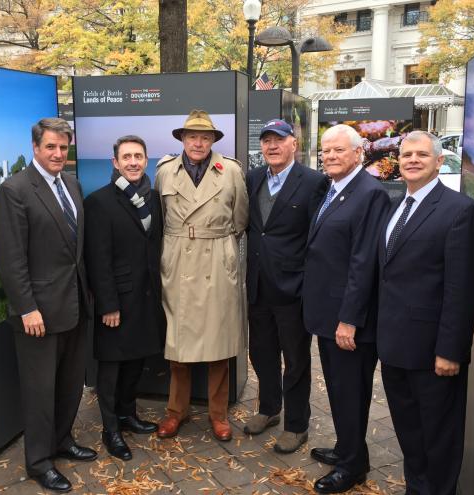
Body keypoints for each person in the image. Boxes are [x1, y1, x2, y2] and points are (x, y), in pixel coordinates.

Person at [377, 131, 474, 495]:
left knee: (439, 441)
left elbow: (462, 288)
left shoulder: (460, 211)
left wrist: (450, 351)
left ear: (439, 161)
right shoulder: (397, 206)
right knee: (410, 434)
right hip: (394, 349)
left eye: (422, 154)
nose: (412, 160)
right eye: (406, 154)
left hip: (433, 355)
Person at [0, 118, 95, 493]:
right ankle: (38, 462)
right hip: (38, 313)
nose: (57, 154)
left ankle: (62, 441)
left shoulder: (72, 184)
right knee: (40, 391)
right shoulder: (14, 190)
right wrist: (26, 308)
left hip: (75, 304)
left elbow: (75, 250)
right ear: (35, 147)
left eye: (63, 147)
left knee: (70, 384)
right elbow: (10, 259)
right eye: (50, 147)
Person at [303, 124, 390, 494]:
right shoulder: (335, 188)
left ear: (359, 153)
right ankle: (348, 449)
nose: (330, 156)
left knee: (349, 391)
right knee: (339, 389)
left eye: (339, 150)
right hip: (328, 313)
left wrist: (349, 320)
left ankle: (352, 467)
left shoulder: (370, 194)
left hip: (348, 320)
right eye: (326, 150)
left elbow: (363, 262)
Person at [154, 109, 249, 442]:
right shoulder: (165, 172)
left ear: (213, 140)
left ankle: (218, 414)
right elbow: (160, 218)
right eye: (192, 136)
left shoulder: (231, 172)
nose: (198, 142)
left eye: (205, 137)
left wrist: (216, 245)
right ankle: (175, 412)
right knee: (178, 344)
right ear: (182, 139)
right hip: (178, 260)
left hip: (216, 260)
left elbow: (240, 220)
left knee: (219, 344)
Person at [244, 119, 329, 453]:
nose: (272, 146)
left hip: (292, 289)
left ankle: (297, 425)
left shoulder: (313, 182)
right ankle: (268, 409)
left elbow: (317, 237)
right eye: (266, 141)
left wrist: (308, 283)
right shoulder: (252, 179)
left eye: (279, 140)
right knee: (262, 354)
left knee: (295, 360)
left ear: (294, 143)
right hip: (258, 286)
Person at [84, 135, 166, 461]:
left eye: (139, 156)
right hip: (117, 302)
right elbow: (97, 259)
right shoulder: (100, 202)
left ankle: (127, 415)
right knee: (111, 369)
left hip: (147, 298)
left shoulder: (155, 199)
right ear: (115, 163)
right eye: (126, 157)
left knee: (136, 361)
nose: (133, 162)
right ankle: (110, 430)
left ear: (147, 161)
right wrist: (108, 305)